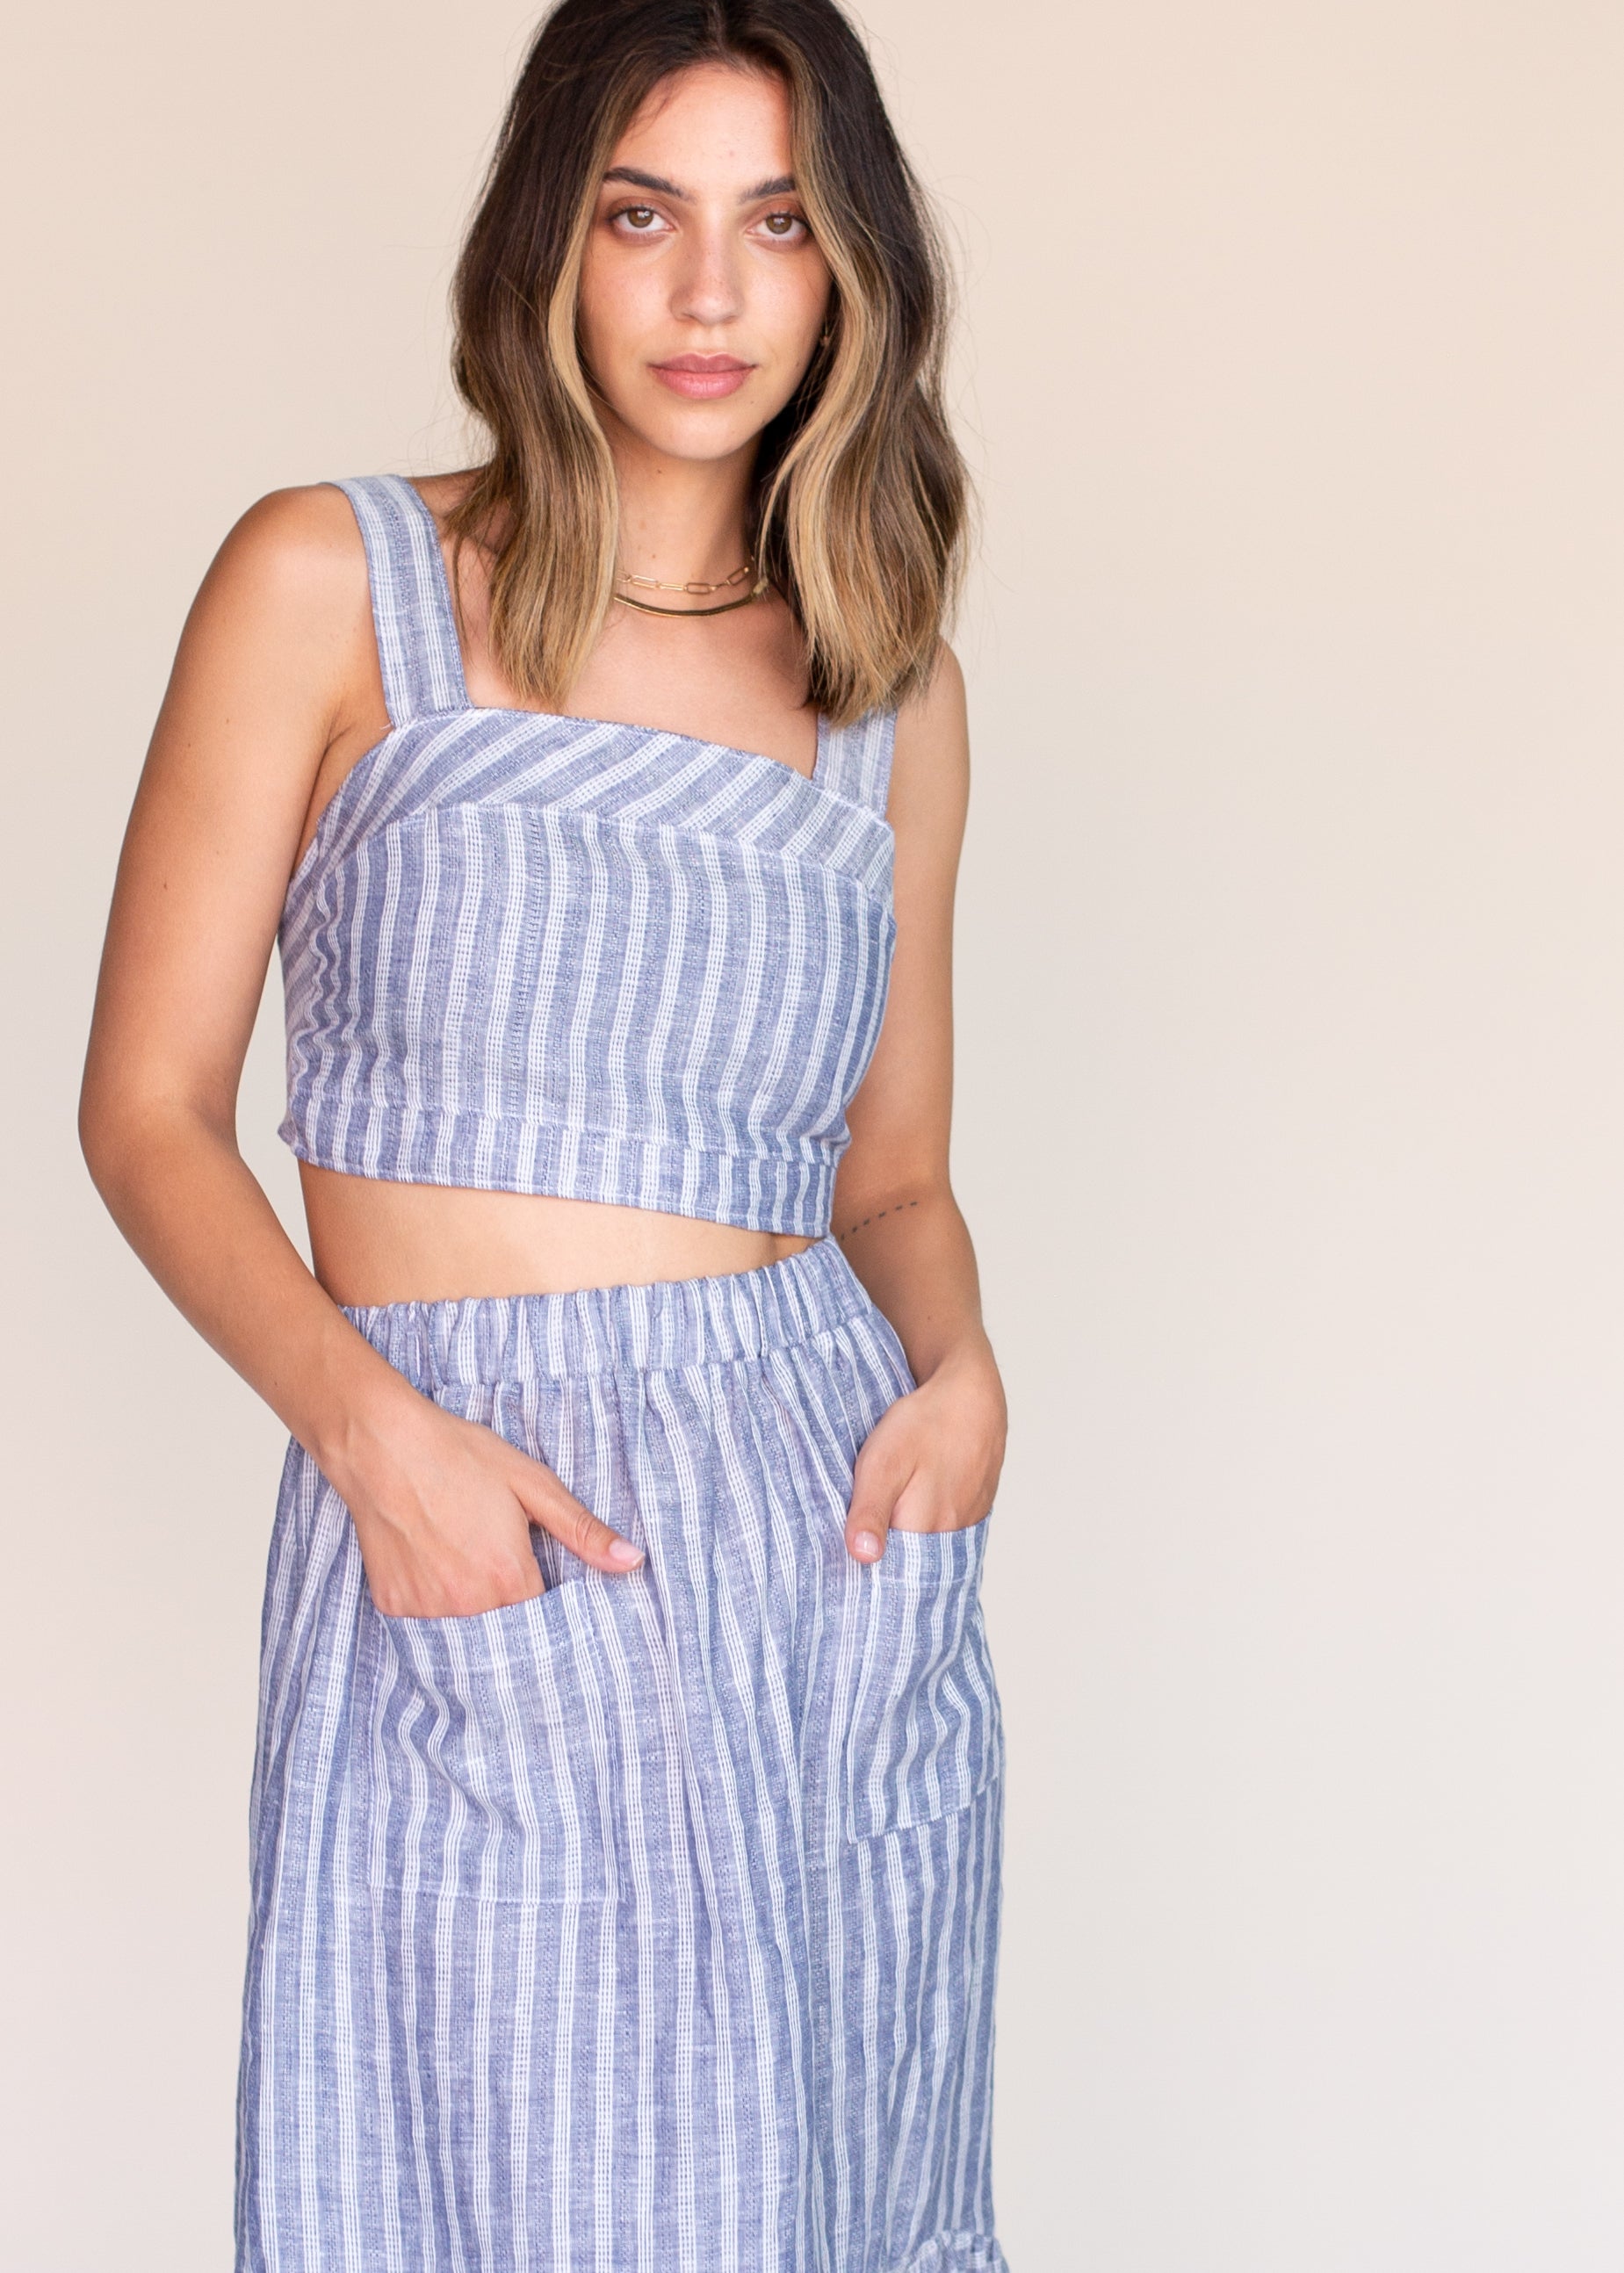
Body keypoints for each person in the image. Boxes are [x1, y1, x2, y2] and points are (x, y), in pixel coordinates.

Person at [80, 2, 1007, 2265]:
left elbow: (884, 1174)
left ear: (851, 270)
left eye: (779, 223)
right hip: (485, 1501)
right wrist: (380, 1447)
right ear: (548, 249)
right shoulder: (334, 581)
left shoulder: (885, 689)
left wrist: (964, 1370)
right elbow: (148, 1113)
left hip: (820, 1524)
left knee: (819, 2195)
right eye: (641, 215)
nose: (710, 295)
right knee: (460, 2176)